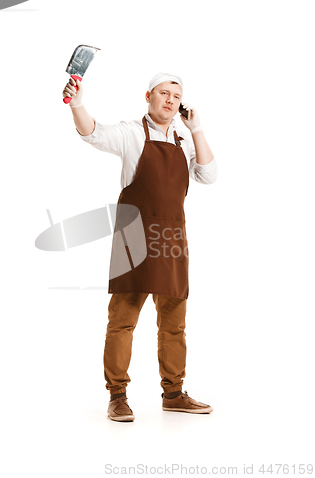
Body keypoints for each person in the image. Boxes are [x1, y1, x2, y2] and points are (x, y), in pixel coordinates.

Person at [62, 72, 218, 422]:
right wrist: (78, 104)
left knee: (174, 323)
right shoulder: (132, 132)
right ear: (148, 95)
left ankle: (174, 394)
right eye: (163, 93)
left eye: (176, 97)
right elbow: (93, 133)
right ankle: (117, 396)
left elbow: (208, 175)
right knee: (123, 319)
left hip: (173, 237)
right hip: (134, 235)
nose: (169, 101)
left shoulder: (184, 138)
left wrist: (197, 128)